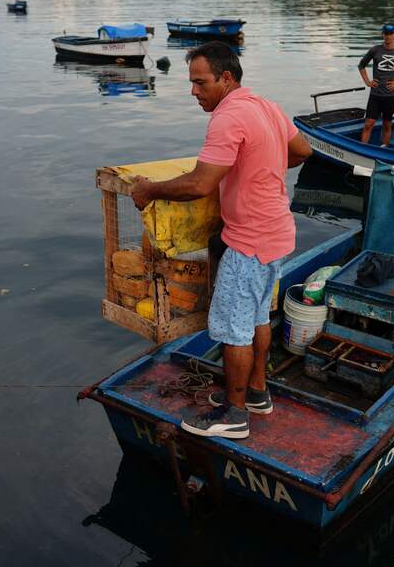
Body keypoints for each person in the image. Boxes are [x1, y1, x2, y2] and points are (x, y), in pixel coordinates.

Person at [130, 42, 312, 440]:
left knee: (233, 330)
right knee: (259, 317)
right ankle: (258, 393)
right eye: (192, 83)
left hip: (249, 243)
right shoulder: (265, 106)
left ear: (225, 78)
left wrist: (149, 190)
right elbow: (302, 151)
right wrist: (259, 167)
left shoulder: (228, 117)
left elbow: (199, 184)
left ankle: (234, 414)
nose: (193, 91)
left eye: (200, 82)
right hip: (277, 233)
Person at [358, 23, 394, 146]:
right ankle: (362, 149)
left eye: (390, 34)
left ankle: (384, 149)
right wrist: (367, 82)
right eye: (385, 33)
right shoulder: (375, 50)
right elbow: (361, 65)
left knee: (387, 125)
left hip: (390, 96)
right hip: (375, 94)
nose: (388, 36)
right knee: (368, 124)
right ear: (382, 35)